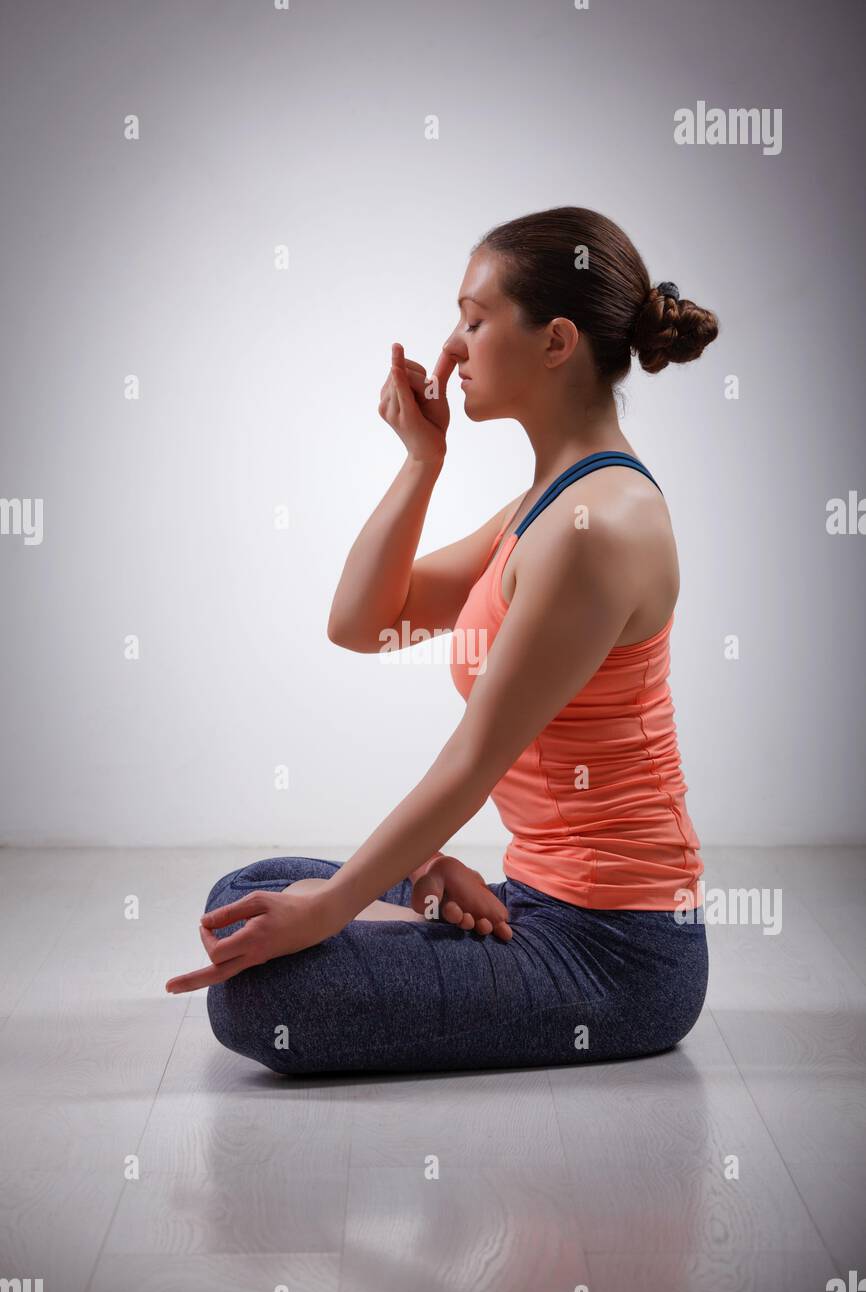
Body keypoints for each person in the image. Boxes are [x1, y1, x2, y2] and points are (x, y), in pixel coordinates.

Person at [166, 205, 719, 1077]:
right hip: (533, 905)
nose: (452, 347)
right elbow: (362, 624)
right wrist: (422, 461)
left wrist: (336, 908)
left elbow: (474, 759)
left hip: (620, 954)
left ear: (556, 341)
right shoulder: (548, 504)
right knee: (247, 896)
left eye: (474, 317)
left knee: (262, 994)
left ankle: (379, 928)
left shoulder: (597, 526)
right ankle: (409, 918)